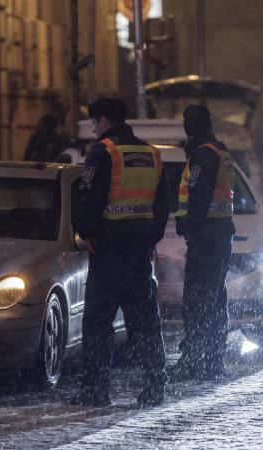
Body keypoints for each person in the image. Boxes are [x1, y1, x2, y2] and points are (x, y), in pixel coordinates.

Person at [70, 98, 170, 407]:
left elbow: (89, 198)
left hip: (108, 253)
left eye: (95, 122)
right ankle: (155, 387)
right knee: (146, 325)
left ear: (102, 121)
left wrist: (86, 232)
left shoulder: (102, 153)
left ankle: (96, 391)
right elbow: (162, 204)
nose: (95, 128)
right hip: (138, 253)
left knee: (99, 324)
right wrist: (148, 236)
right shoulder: (151, 153)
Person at [169, 105, 236, 382]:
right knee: (215, 300)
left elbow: (197, 197)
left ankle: (194, 361)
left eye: (187, 121)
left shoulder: (204, 155)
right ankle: (212, 359)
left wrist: (189, 228)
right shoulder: (221, 151)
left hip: (206, 238)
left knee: (197, 302)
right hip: (220, 236)